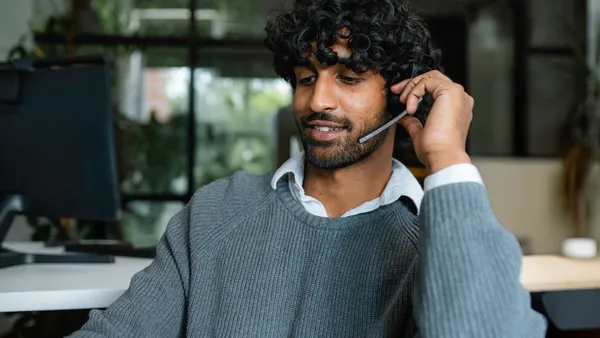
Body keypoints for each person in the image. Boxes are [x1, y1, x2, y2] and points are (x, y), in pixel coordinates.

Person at [69, 0, 547, 337]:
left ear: (404, 98)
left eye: (350, 78)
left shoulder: (437, 239)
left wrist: (447, 158)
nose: (316, 100)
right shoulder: (217, 210)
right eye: (304, 78)